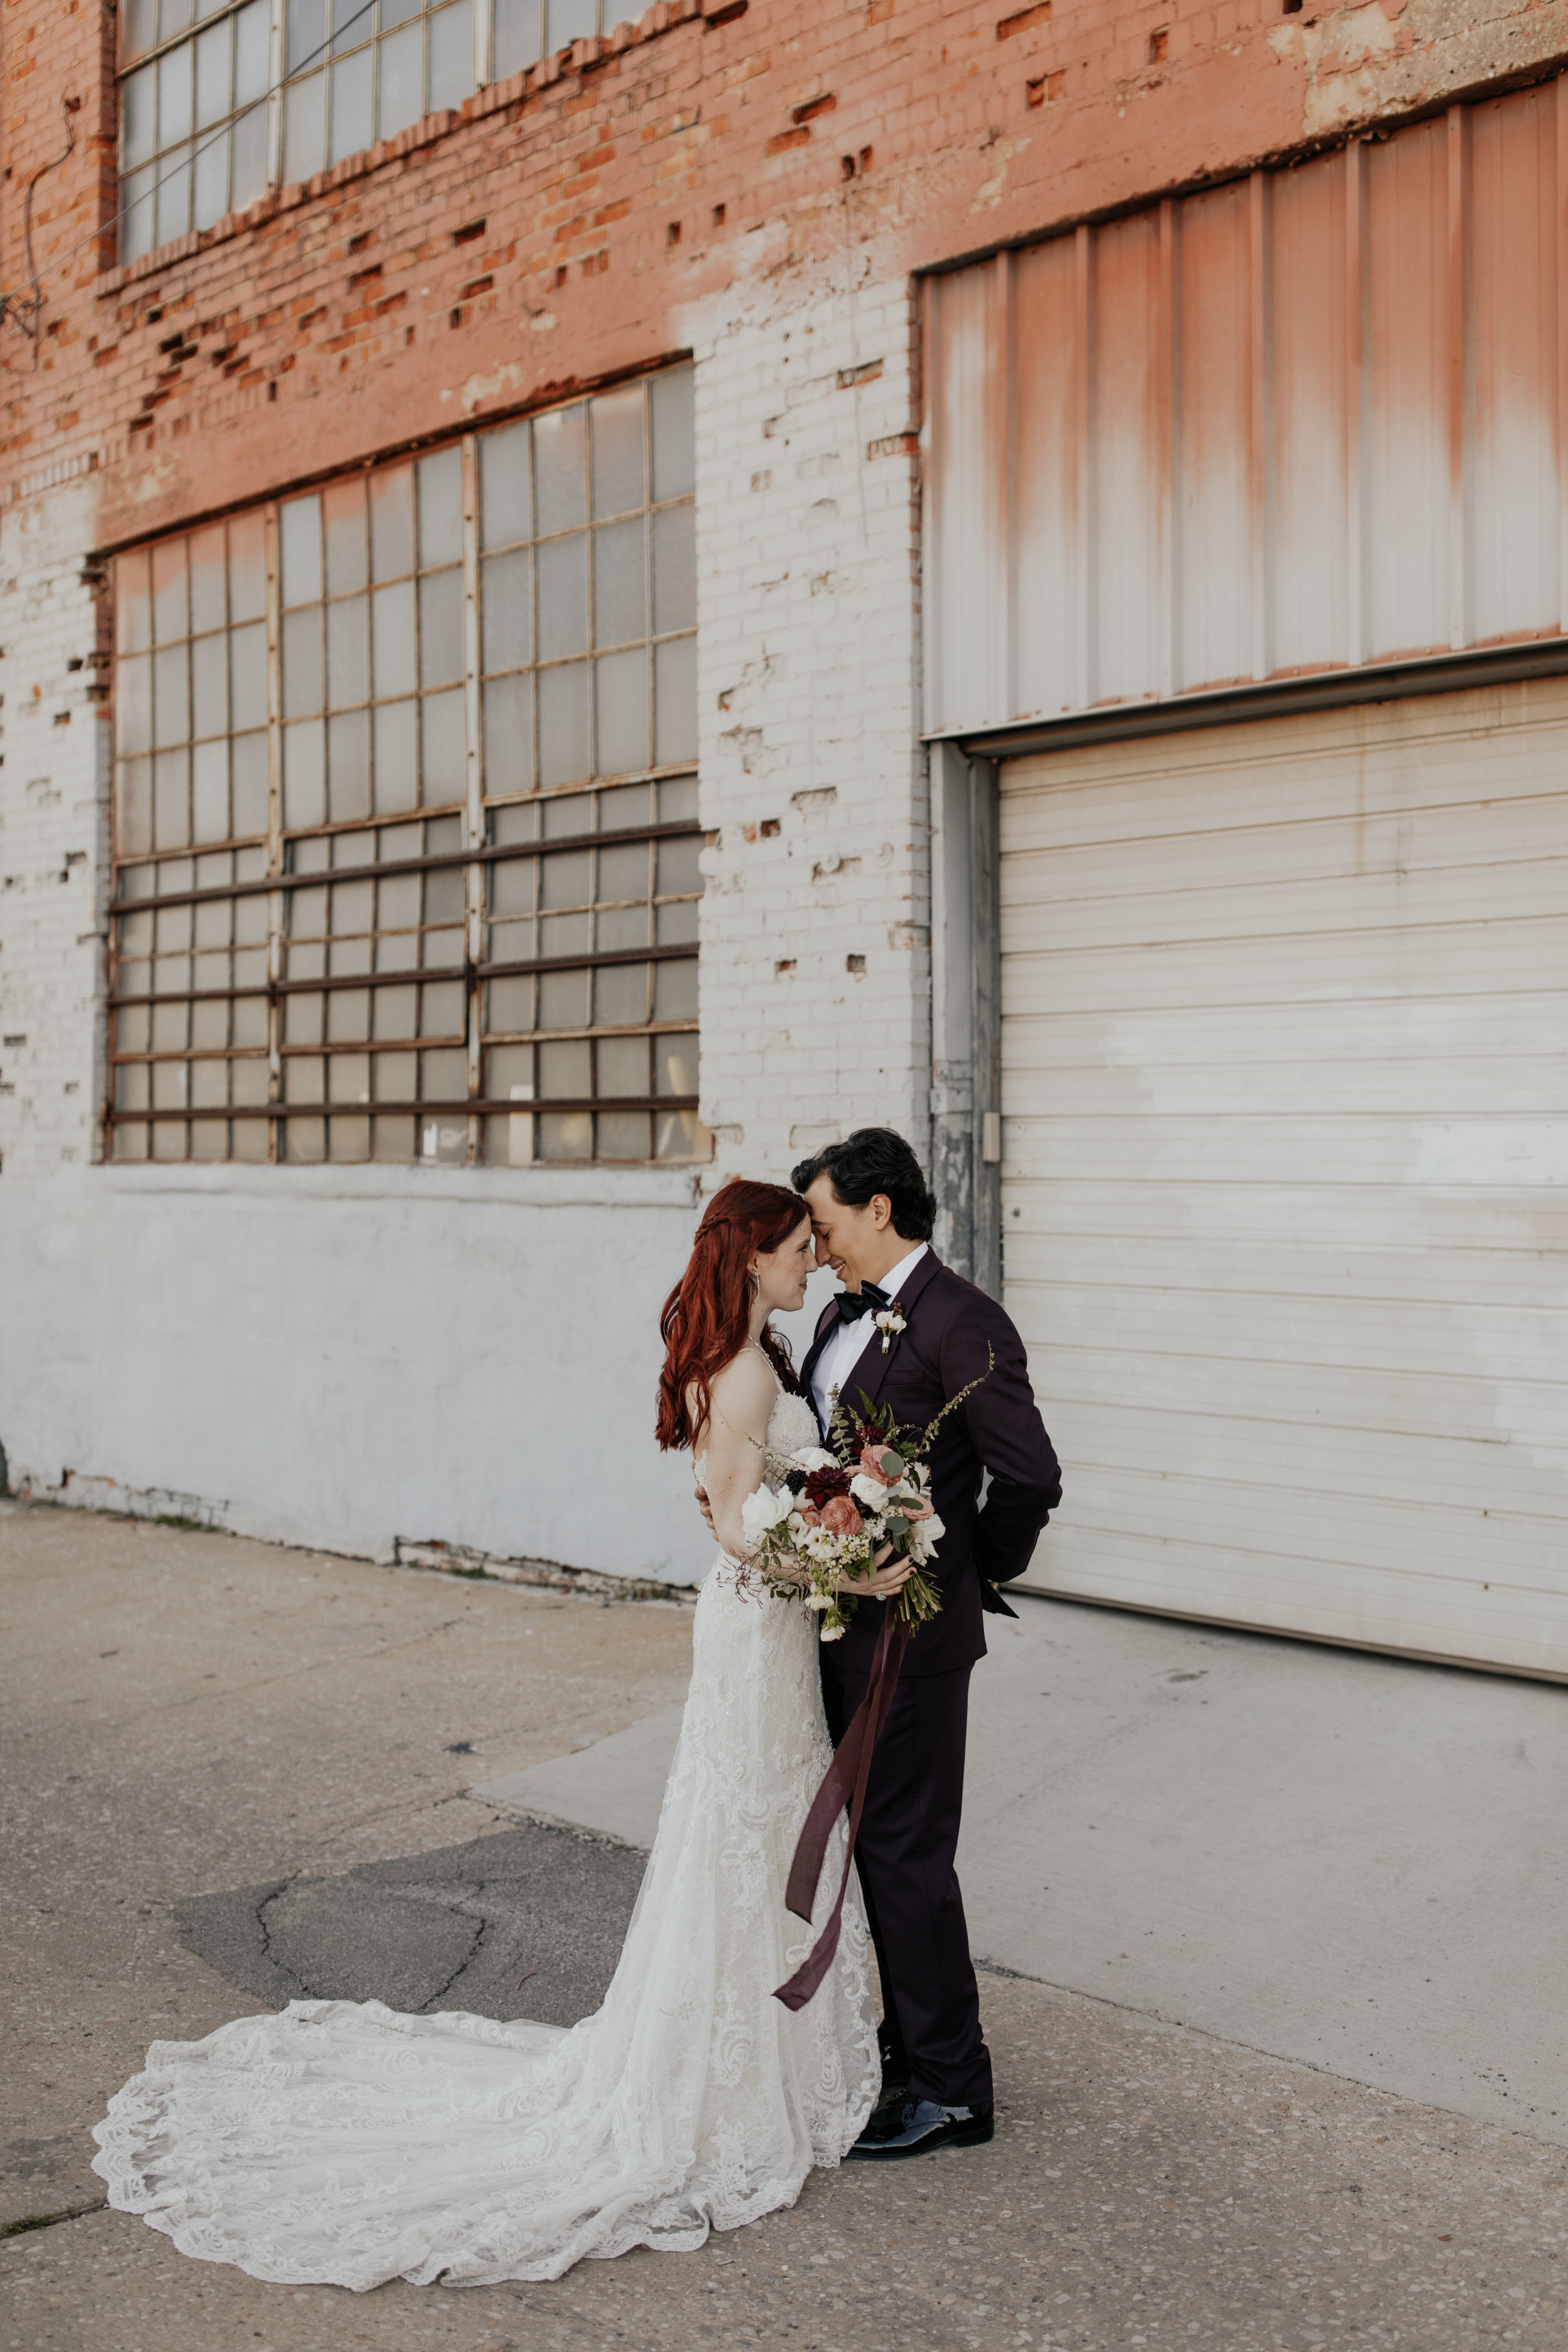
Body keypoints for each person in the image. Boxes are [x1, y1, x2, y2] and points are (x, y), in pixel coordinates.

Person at [91, 1179, 915, 2289]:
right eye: (796, 1247)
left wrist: (839, 1517)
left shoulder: (748, 1354)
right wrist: (855, 1562)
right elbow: (734, 1527)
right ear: (752, 1255)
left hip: (757, 1636)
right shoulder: (750, 1369)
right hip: (755, 1625)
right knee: (746, 1820)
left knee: (753, 1821)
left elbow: (748, 1501)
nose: (811, 1260)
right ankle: (720, 2070)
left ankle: (754, 2043)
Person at [791, 1127, 1061, 2159]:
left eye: (823, 1224)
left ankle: (954, 2087)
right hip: (838, 1618)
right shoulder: (839, 1315)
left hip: (911, 1633)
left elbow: (1029, 1474)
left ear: (878, 1211)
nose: (816, 1246)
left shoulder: (965, 1320)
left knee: (906, 1850)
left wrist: (972, 1569)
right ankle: (908, 2050)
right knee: (876, 1846)